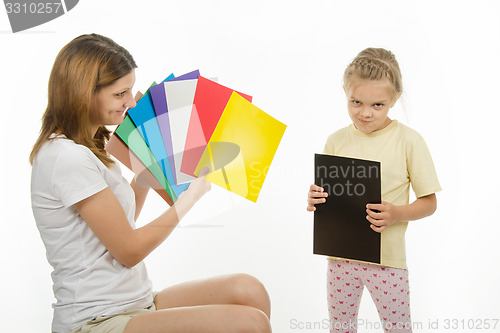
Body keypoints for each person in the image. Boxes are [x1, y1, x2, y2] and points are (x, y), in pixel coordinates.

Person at [30, 34, 272, 333]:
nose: (131, 102)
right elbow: (129, 250)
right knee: (249, 324)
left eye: (131, 91)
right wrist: (189, 198)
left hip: (136, 301)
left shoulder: (86, 148)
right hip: (97, 319)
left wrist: (146, 156)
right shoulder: (65, 157)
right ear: (83, 93)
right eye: (121, 94)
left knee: (249, 291)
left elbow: (121, 221)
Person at [306, 48, 441, 332]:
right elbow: (327, 198)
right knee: (340, 328)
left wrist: (397, 213)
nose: (365, 113)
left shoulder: (409, 141)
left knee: (397, 329)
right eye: (356, 102)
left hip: (387, 262)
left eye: (377, 105)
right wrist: (316, 199)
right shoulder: (335, 141)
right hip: (340, 258)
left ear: (395, 99)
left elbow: (429, 202)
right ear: (345, 92)